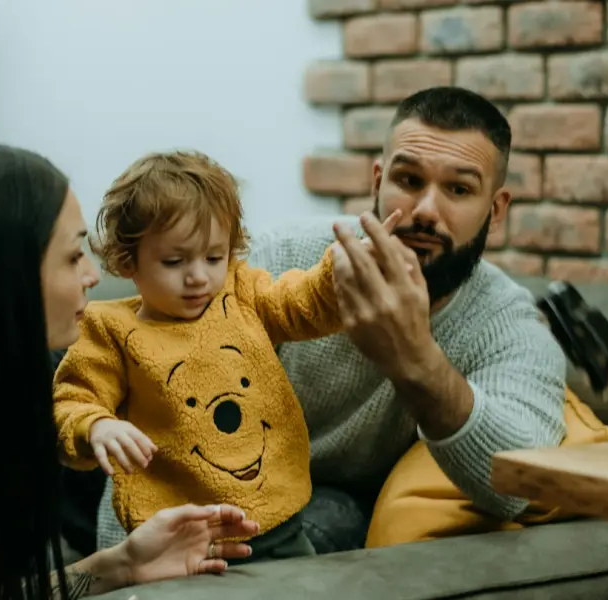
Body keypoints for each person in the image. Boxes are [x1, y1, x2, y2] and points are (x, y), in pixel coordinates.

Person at [94, 86, 568, 554]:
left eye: (459, 189)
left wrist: (416, 361)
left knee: (326, 518)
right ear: (377, 181)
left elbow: (519, 485)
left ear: (496, 208)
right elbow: (156, 403)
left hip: (324, 502)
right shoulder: (282, 259)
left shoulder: (507, 324)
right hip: (190, 473)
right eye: (408, 181)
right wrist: (122, 563)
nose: (425, 210)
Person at [0, 144, 260, 600]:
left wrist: (121, 565)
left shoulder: (18, 390)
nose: (93, 276)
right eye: (74, 256)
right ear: (2, 273)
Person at [53, 150, 400, 562]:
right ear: (128, 260)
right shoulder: (109, 330)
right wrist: (96, 428)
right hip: (178, 542)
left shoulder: (241, 293)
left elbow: (300, 303)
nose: (199, 275)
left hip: (280, 523)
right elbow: (74, 398)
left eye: (214, 257)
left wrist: (339, 273)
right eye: (174, 261)